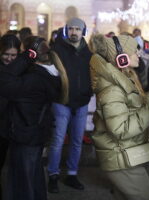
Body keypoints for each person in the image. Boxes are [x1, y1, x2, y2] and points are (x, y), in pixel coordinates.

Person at [89, 34, 149, 200]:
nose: (139, 54)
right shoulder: (112, 90)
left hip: (123, 154)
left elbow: (132, 105)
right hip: (121, 158)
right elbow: (121, 128)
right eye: (135, 51)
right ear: (121, 58)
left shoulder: (123, 78)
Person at [0, 36, 67, 200]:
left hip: (26, 136)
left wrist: (24, 58)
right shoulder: (47, 75)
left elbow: (4, 81)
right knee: (33, 179)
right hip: (33, 134)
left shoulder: (35, 79)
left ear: (31, 53)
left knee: (23, 185)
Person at [47, 17, 92, 193]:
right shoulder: (57, 50)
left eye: (78, 29)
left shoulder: (88, 52)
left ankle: (72, 174)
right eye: (71, 29)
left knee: (76, 141)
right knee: (57, 140)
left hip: (81, 103)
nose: (74, 32)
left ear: (83, 32)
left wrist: (88, 92)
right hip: (61, 102)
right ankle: (53, 175)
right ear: (67, 30)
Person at [0, 34, 21, 200]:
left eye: (13, 55)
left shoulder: (22, 70)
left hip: (14, 124)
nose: (9, 58)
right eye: (6, 54)